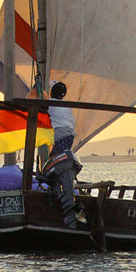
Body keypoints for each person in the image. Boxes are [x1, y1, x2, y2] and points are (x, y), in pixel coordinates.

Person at [40, 81, 83, 228]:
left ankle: (57, 191)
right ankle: (60, 189)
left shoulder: (50, 103)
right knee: (57, 159)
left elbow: (41, 105)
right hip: (70, 134)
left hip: (61, 134)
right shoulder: (65, 105)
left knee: (55, 159)